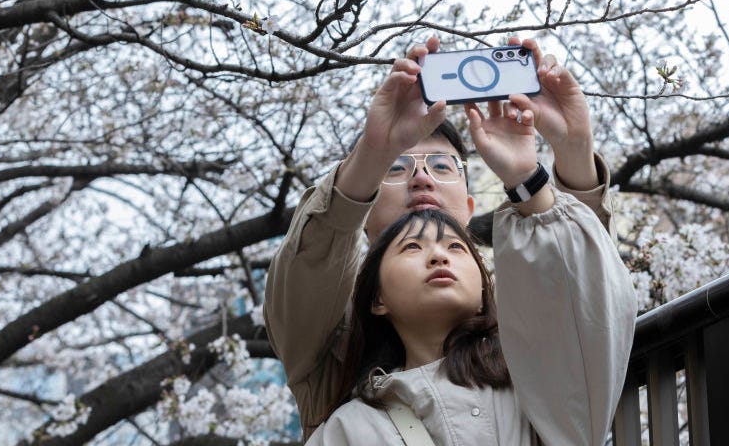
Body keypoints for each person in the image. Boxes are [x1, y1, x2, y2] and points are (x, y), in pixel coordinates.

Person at [263, 36, 634, 442]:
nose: (422, 178)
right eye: (396, 166)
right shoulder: (335, 338)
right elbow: (310, 262)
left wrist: (572, 150)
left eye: (442, 165)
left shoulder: (517, 305)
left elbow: (588, 303)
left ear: (470, 208)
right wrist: (373, 152)